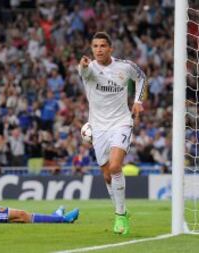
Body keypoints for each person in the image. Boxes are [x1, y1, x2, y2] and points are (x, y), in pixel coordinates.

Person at [78, 32, 146, 235]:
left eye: (102, 46)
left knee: (116, 166)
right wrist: (82, 66)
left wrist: (137, 101)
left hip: (121, 123)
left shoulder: (125, 66)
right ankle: (123, 210)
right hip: (98, 127)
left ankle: (120, 215)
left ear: (110, 48)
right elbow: (85, 73)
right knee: (107, 175)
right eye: (95, 46)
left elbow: (141, 77)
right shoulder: (88, 69)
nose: (98, 49)